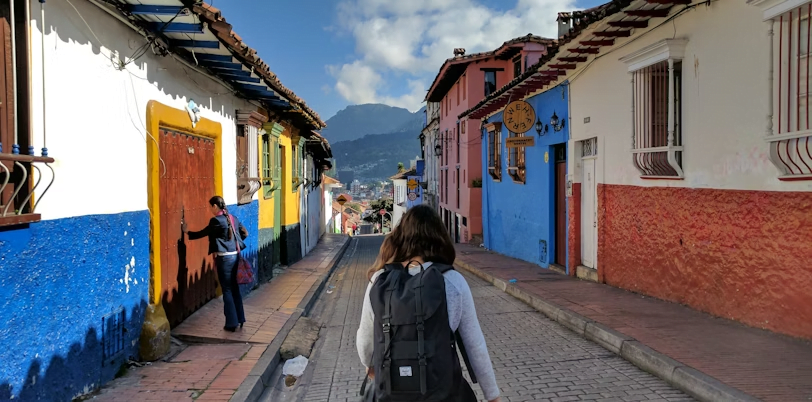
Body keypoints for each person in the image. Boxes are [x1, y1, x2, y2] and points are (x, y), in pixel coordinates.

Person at [356, 205, 501, 402]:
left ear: (401, 237)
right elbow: (475, 345)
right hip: (443, 393)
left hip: (391, 392)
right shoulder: (452, 280)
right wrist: (492, 395)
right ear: (440, 237)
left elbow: (365, 341)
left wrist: (370, 365)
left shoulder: (379, 279)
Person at [184, 195, 248, 332]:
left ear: (215, 206)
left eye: (210, 207)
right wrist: (232, 243)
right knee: (234, 288)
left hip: (224, 259)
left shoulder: (216, 221)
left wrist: (187, 232)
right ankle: (240, 318)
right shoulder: (233, 218)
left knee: (227, 289)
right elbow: (244, 233)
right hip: (235, 256)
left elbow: (204, 233)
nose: (210, 210)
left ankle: (231, 323)